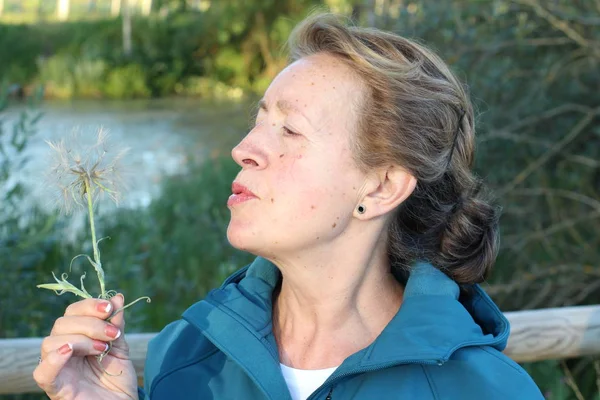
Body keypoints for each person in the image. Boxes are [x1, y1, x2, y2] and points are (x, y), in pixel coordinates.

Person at [33, 13, 544, 400]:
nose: (242, 149)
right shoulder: (187, 356)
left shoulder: (486, 389)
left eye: (290, 130)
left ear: (382, 187)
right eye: (257, 121)